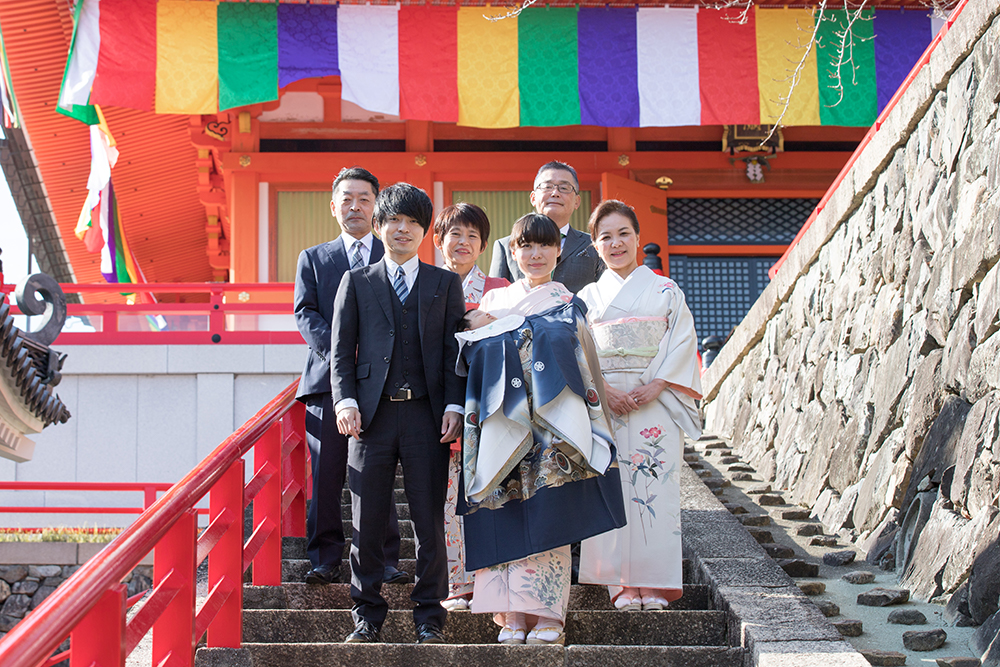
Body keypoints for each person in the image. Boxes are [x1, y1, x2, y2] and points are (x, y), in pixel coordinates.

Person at [460, 213, 625, 646]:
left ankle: (548, 615)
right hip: (502, 422)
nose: (535, 255)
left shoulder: (569, 303)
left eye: (544, 246)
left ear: (558, 252)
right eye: (525, 247)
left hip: (554, 428)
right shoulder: (492, 305)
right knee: (505, 508)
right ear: (512, 254)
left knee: (551, 513)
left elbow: (585, 365)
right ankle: (511, 614)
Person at [331, 182, 466, 645]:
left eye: (412, 222)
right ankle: (367, 615)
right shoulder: (358, 280)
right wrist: (344, 400)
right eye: (394, 220)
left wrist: (454, 404)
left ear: (425, 231)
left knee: (429, 521)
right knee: (366, 521)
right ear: (379, 226)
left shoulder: (445, 284)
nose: (402, 229)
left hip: (428, 417)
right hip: (370, 420)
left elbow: (453, 351)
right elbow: (340, 351)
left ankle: (429, 617)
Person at [577, 200, 703, 612]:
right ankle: (618, 584)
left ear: (637, 237)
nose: (616, 244)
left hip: (655, 401)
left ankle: (652, 583)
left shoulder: (666, 290)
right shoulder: (587, 297)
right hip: (606, 404)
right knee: (610, 487)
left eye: (623, 234)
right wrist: (604, 390)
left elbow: (682, 342)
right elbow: (579, 353)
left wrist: (659, 384)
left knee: (655, 488)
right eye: (605, 237)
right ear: (595, 246)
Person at [293, 166, 406, 587]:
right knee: (327, 473)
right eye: (347, 199)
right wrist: (344, 351)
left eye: (364, 199)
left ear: (376, 205)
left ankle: (386, 558)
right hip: (326, 382)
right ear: (333, 206)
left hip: (381, 383)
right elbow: (305, 313)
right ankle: (324, 556)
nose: (355, 206)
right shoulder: (314, 258)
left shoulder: (392, 254)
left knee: (379, 471)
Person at [431, 203, 509, 611]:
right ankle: (458, 583)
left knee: (492, 493)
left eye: (472, 237)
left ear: (482, 245)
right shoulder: (424, 284)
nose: (463, 243)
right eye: (455, 234)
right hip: (439, 407)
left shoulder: (500, 288)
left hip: (490, 404)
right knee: (447, 497)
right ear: (439, 240)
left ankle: (495, 582)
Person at [489, 161, 604, 294]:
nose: (555, 193)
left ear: (577, 201)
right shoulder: (505, 246)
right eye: (547, 186)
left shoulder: (594, 245)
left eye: (564, 188)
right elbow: (496, 300)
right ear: (533, 198)